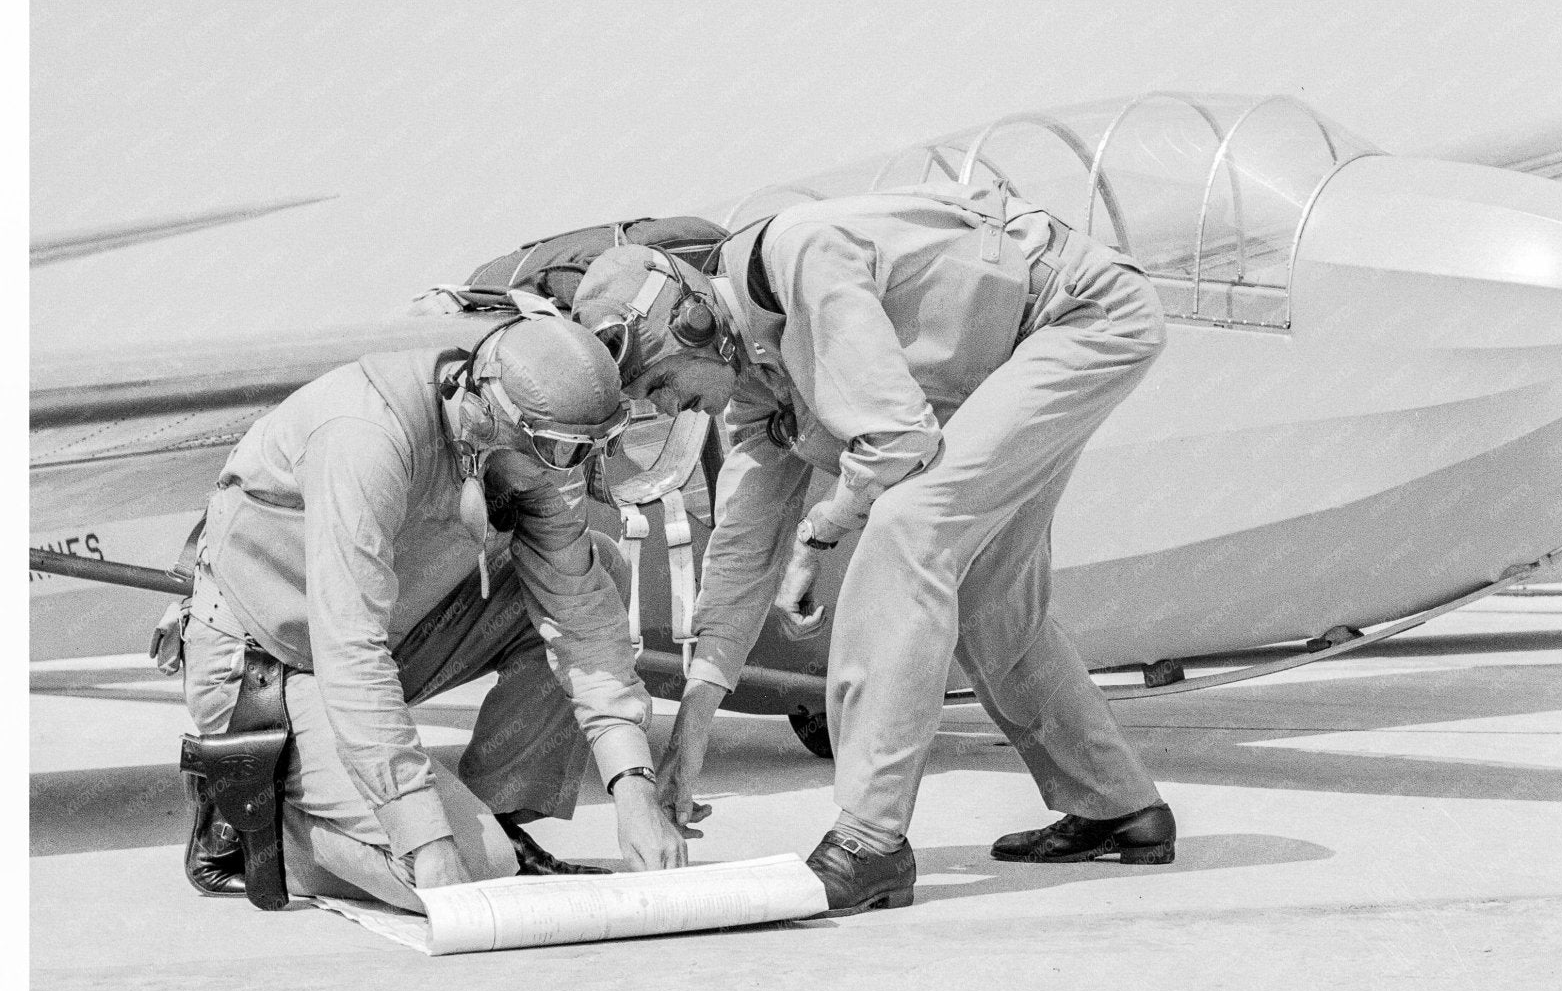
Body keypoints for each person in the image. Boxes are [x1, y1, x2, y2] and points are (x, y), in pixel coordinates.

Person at [571, 185, 1176, 915]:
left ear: (695, 323)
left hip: (1081, 319)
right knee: (988, 594)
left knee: (906, 530)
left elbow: (897, 441)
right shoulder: (755, 381)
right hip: (1018, 355)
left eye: (660, 384)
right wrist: (691, 734)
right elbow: (740, 548)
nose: (666, 410)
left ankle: (870, 840)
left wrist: (821, 530)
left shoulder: (800, 257)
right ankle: (1119, 807)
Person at [173, 304, 690, 911]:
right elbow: (350, 651)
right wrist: (424, 835)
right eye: (559, 450)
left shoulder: (538, 442)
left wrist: (634, 787)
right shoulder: (364, 439)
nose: (572, 470)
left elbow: (580, 613)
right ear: (483, 417)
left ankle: (491, 815)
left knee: (598, 562)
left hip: (387, 635)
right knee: (471, 876)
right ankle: (247, 810)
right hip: (265, 664)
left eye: (590, 450)